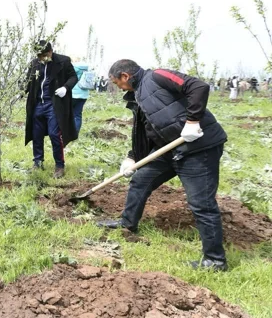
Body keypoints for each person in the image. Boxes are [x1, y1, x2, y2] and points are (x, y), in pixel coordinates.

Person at [98, 59, 228, 271]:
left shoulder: (157, 76)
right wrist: (132, 157)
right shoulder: (138, 96)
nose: (117, 87)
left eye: (116, 82)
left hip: (198, 147)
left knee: (201, 203)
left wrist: (193, 122)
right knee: (140, 179)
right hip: (170, 149)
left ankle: (215, 260)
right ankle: (127, 223)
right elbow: (149, 131)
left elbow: (198, 86)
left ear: (125, 76)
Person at [23, 41, 78, 178]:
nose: (42, 58)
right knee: (36, 134)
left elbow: (73, 77)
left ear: (50, 52)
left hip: (53, 104)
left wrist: (66, 87)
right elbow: (28, 80)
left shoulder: (63, 61)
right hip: (38, 104)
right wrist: (22, 90)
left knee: (55, 134)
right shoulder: (35, 63)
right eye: (39, 56)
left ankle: (59, 166)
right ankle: (38, 162)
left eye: (44, 55)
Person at [71, 61, 90, 135]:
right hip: (84, 95)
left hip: (73, 94)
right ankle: (75, 132)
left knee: (68, 113)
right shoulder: (87, 69)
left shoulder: (75, 68)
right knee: (78, 114)